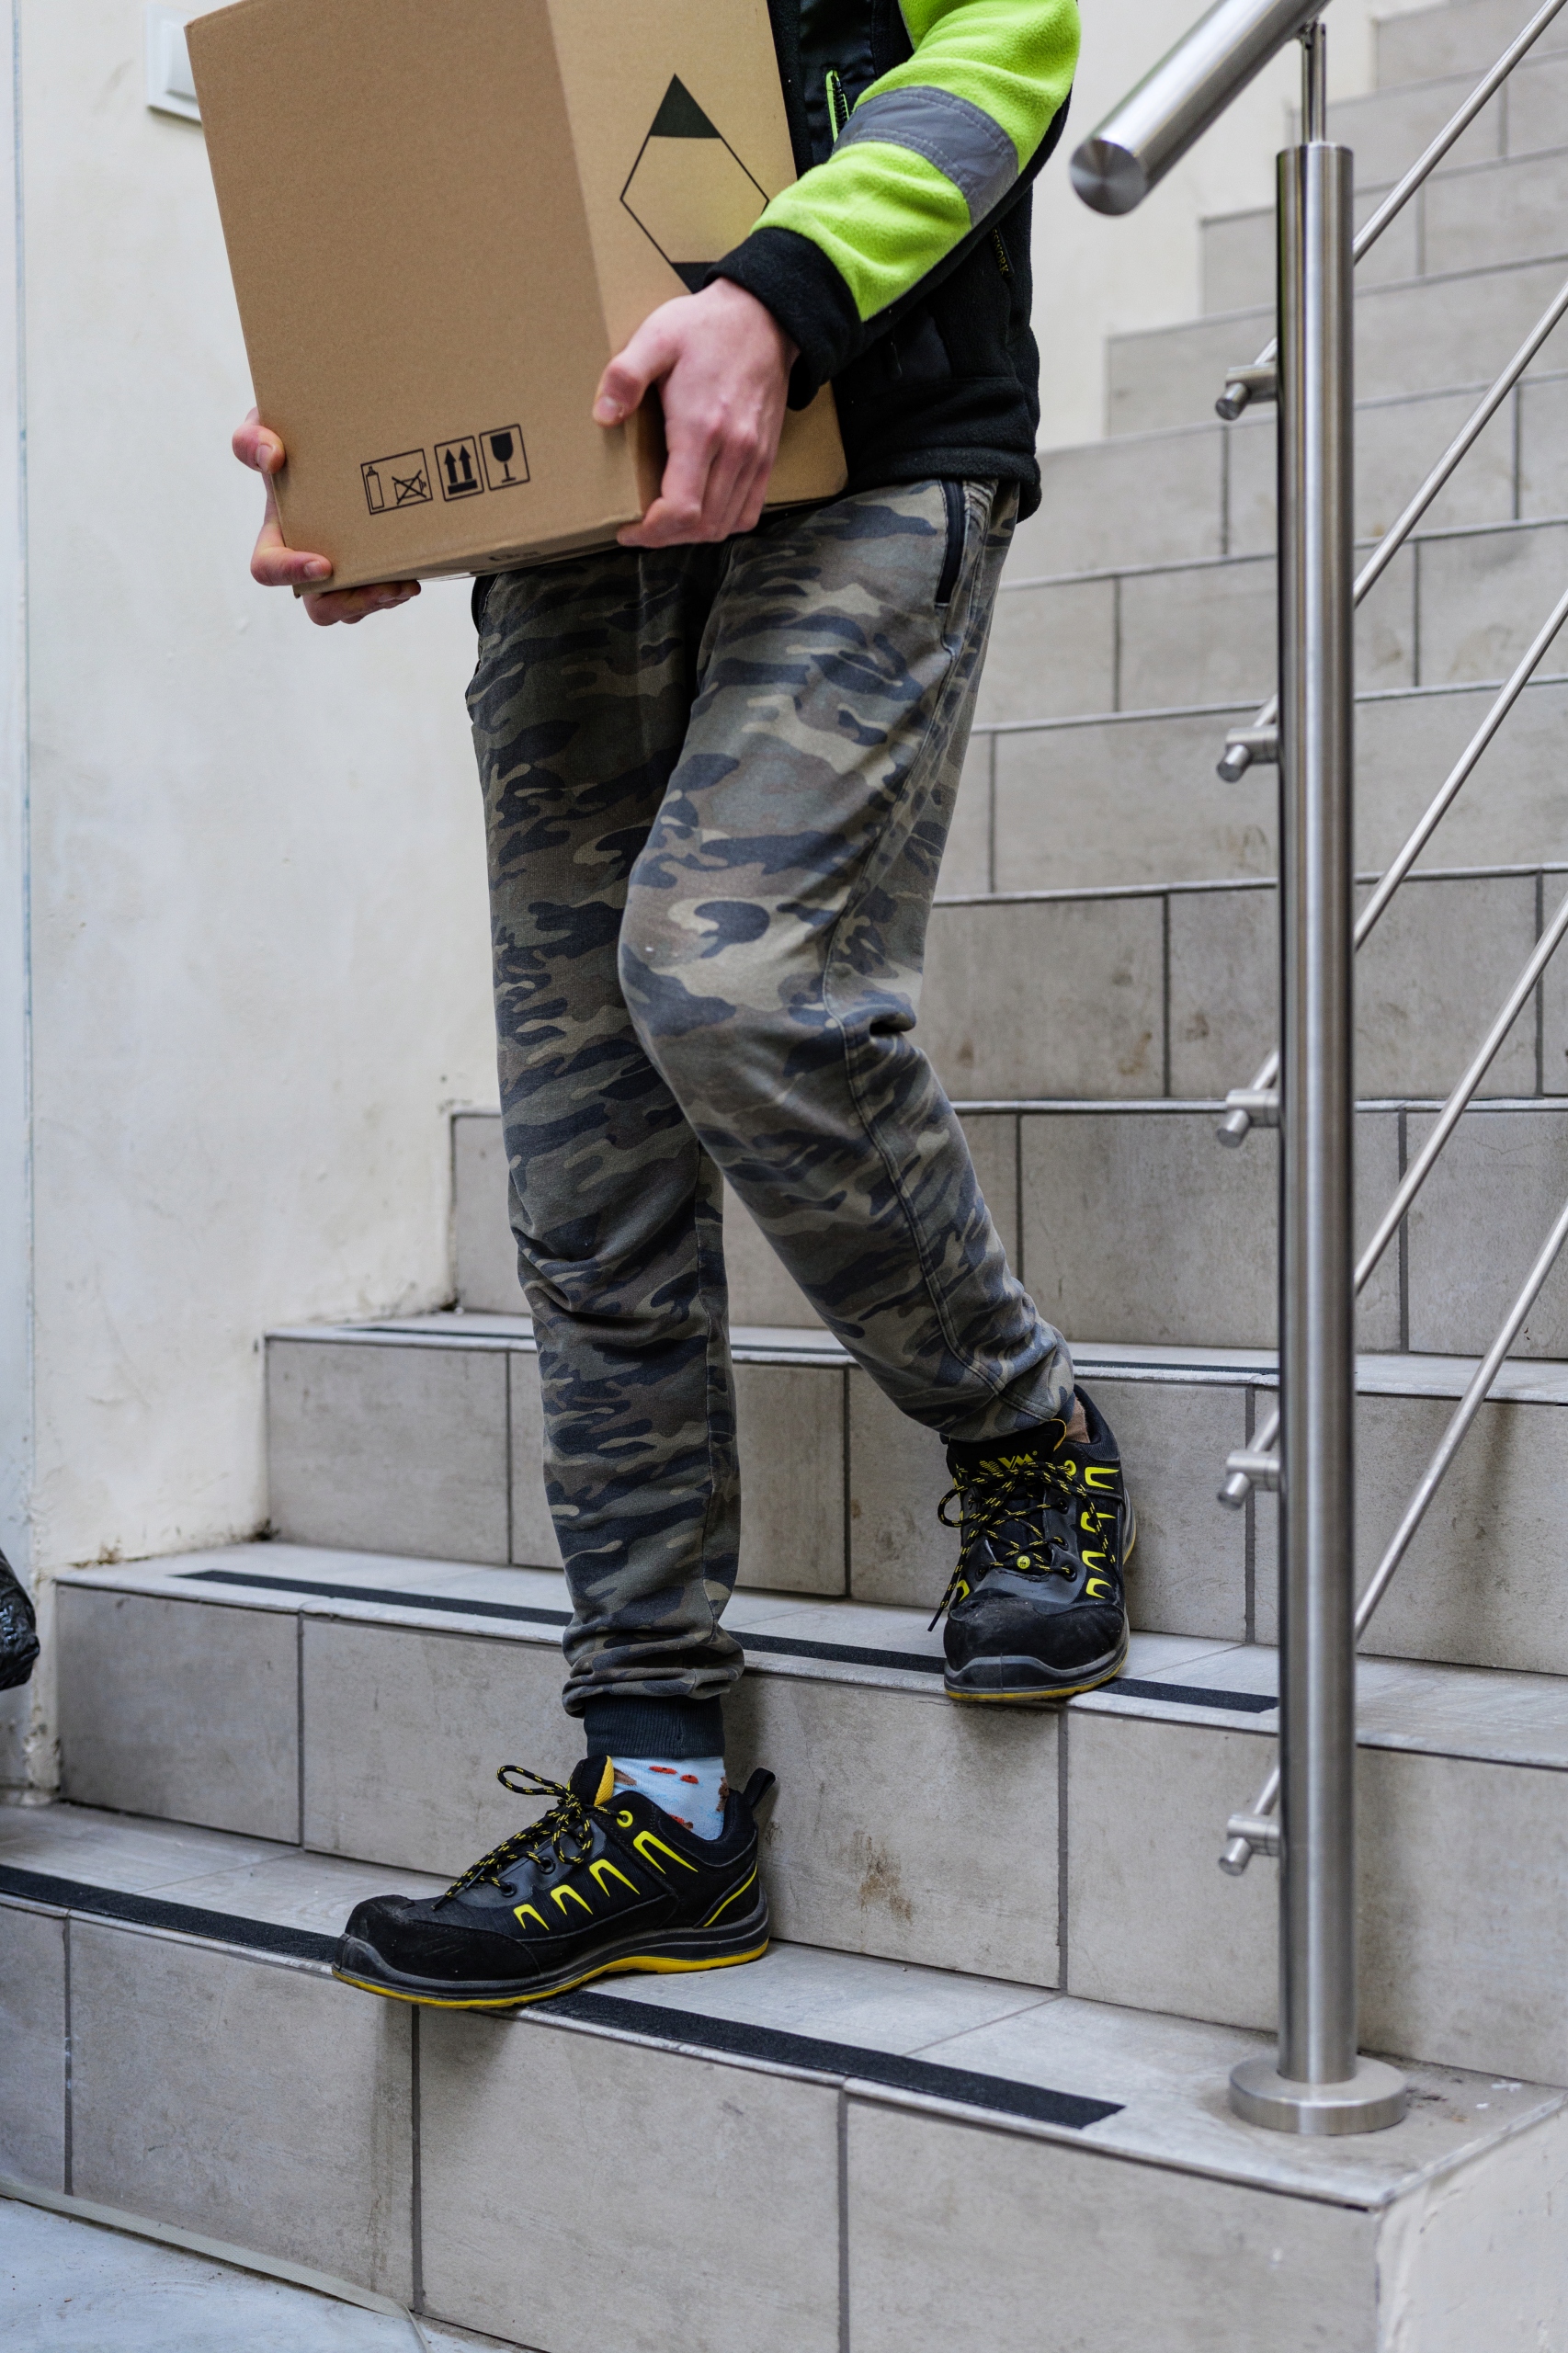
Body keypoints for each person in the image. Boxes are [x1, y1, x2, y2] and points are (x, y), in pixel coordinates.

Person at [234, 0, 1135, 2011]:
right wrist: (371, 465)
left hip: (872, 442)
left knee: (726, 986)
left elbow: (1005, 37)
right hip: (573, 522)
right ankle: (660, 1788)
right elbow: (434, 134)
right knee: (581, 1152)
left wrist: (779, 290)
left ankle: (1019, 1423)